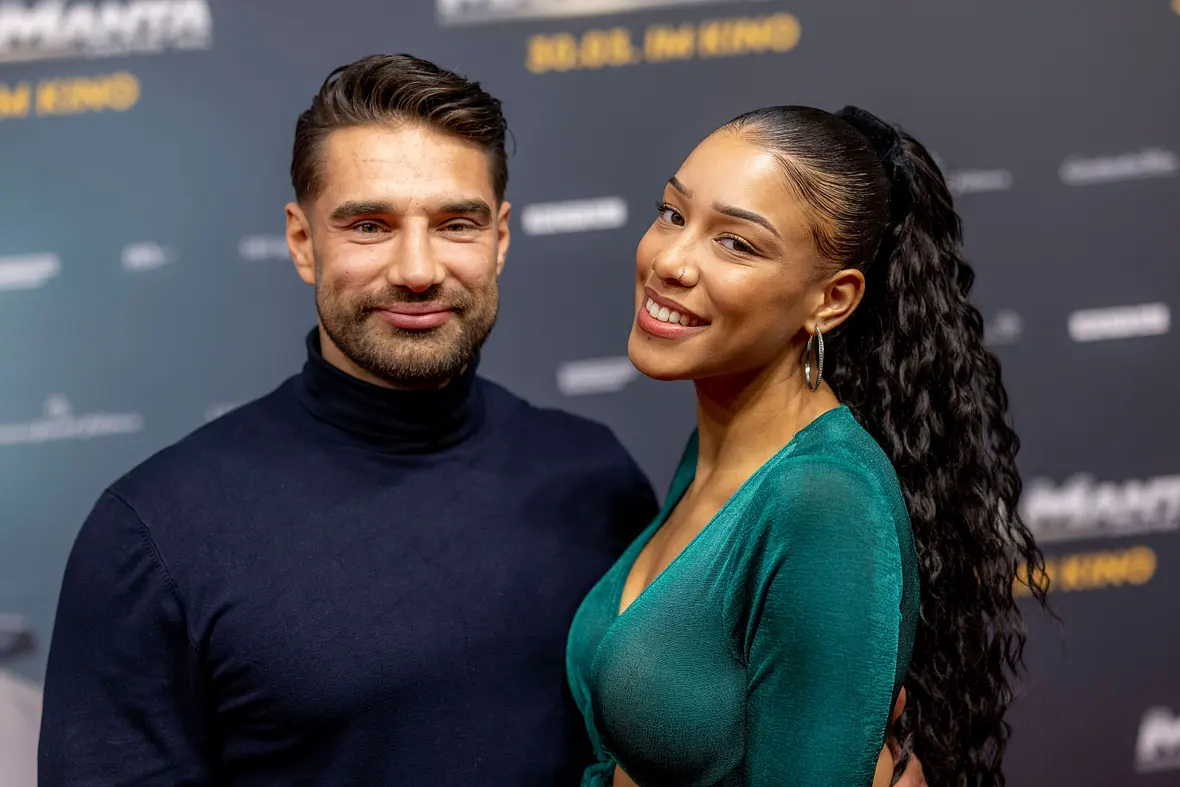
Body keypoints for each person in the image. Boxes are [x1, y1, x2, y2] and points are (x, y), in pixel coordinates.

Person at [37, 54, 928, 785]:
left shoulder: (592, 474)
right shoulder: (153, 536)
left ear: (499, 236)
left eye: (455, 223)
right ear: (304, 241)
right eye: (369, 225)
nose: (417, 269)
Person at [566, 105, 1049, 786]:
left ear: (831, 300)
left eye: (737, 243)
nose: (669, 261)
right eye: (673, 214)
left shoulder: (823, 501)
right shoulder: (715, 452)